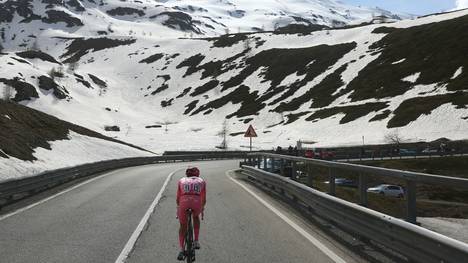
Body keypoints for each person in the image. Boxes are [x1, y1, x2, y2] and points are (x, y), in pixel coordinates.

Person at [176, 167, 206, 260]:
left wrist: (178, 208)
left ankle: (181, 249)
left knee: (183, 225)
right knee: (196, 217)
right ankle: (196, 241)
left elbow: (177, 199)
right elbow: (203, 199)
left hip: (184, 203)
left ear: (187, 174)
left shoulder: (181, 180)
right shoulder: (202, 181)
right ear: (197, 174)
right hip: (196, 203)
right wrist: (202, 208)